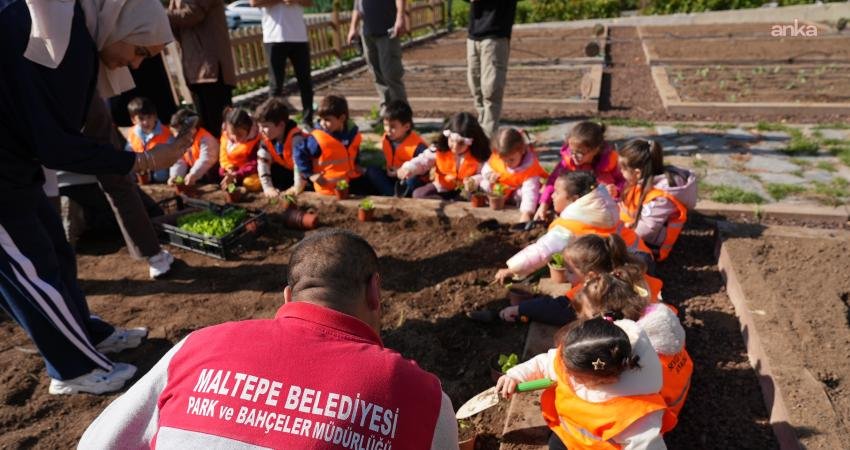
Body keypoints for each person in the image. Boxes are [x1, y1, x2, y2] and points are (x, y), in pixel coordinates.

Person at [79, 229, 460, 449]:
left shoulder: (198, 347)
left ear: (288, 296)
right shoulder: (422, 395)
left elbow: (99, 443)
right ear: (375, 291)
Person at [1, 0, 191, 394]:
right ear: (121, 25)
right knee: (31, 272)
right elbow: (58, 145)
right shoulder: (67, 37)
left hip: (15, 162)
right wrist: (144, 160)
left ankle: (83, 333)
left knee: (55, 252)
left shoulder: (74, 30)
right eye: (140, 51)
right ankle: (72, 369)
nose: (136, 65)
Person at [497, 317, 667, 450]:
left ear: (605, 380)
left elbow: (647, 446)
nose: (563, 371)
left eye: (573, 374)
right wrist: (516, 375)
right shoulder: (583, 352)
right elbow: (546, 363)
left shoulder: (634, 414)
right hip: (565, 432)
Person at [574, 272, 693, 434]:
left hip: (657, 418)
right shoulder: (662, 324)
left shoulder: (632, 354)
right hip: (677, 394)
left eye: (589, 318)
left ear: (609, 318)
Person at [493, 172, 653, 285]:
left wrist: (511, 269)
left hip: (625, 277)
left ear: (574, 199)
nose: (552, 196)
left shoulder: (568, 227)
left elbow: (540, 252)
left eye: (557, 193)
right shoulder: (605, 211)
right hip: (643, 260)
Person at [490, 234, 656, 326]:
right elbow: (565, 302)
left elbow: (562, 310)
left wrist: (522, 309)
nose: (566, 275)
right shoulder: (618, 274)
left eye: (570, 271)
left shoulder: (604, 297)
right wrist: (523, 308)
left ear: (590, 276)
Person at [618, 139, 696, 262]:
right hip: (638, 228)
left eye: (622, 169)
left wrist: (620, 235)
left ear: (637, 173)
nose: (620, 172)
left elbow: (646, 230)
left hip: (651, 246)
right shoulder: (646, 179)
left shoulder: (660, 198)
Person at [167, 0, 237, 137]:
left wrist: (161, 15)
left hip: (213, 69)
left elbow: (193, 14)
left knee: (222, 125)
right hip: (195, 69)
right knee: (206, 127)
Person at [536, 121, 625, 221]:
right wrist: (543, 204)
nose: (574, 157)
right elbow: (552, 182)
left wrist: (616, 190)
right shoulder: (568, 162)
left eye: (580, 153)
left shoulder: (610, 163)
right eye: (571, 151)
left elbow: (624, 181)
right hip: (575, 207)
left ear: (595, 150)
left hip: (602, 207)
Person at [398, 112, 491, 200]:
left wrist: (474, 180)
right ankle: (445, 202)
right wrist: (410, 168)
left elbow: (485, 174)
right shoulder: (439, 150)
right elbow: (423, 161)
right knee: (418, 194)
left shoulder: (478, 154)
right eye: (452, 141)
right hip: (442, 187)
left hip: (466, 190)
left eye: (461, 143)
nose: (455, 146)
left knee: (476, 197)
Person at [293, 94, 373, 196]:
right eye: (321, 119)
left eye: (327, 120)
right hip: (327, 188)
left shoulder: (352, 134)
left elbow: (353, 151)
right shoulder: (318, 138)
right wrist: (310, 175)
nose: (322, 123)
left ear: (342, 118)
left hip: (348, 182)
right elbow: (299, 152)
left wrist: (356, 163)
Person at [251, 0, 315, 128]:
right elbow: (254, 2)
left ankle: (307, 121)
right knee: (276, 86)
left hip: (299, 37)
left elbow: (309, 2)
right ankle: (274, 123)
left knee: (305, 82)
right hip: (274, 37)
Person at [465, 0, 518, 138]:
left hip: (496, 32)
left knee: (491, 89)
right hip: (474, 33)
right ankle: (481, 132)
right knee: (476, 88)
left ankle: (488, 137)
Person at [347, 0, 408, 113]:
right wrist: (353, 27)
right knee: (377, 74)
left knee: (391, 74)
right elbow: (357, 4)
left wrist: (400, 17)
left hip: (387, 30)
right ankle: (386, 110)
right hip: (368, 32)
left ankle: (401, 113)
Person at [479, 127, 548, 223]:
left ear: (522, 150)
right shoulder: (498, 155)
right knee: (483, 183)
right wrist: (489, 175)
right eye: (503, 160)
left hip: (517, 193)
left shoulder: (529, 167)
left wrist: (526, 213)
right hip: (502, 189)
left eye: (511, 160)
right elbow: (487, 167)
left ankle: (517, 204)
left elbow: (530, 192)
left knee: (525, 194)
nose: (507, 163)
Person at [365, 99, 428, 197]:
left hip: (410, 180)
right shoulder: (386, 139)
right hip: (393, 177)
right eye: (385, 125)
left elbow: (426, 171)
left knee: (412, 179)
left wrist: (403, 171)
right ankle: (393, 195)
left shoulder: (418, 146)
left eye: (393, 127)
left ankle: (397, 196)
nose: (388, 130)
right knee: (372, 171)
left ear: (406, 127)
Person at [254, 97, 306, 197]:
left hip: (304, 174)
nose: (261, 130)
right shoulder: (266, 139)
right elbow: (263, 164)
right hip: (288, 170)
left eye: (265, 126)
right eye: (259, 126)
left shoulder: (296, 138)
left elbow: (300, 164)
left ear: (281, 125)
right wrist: (268, 187)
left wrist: (297, 187)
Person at [126, 96, 173, 183]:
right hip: (141, 172)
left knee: (161, 176)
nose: (146, 122)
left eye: (149, 117)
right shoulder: (132, 133)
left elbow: (174, 158)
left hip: (161, 172)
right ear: (133, 120)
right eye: (141, 118)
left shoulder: (166, 133)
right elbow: (128, 154)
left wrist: (174, 176)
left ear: (155, 116)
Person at [167, 109, 219, 186]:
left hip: (214, 175)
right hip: (197, 176)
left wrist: (193, 174)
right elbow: (179, 160)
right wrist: (175, 175)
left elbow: (205, 159)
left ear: (192, 129)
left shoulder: (206, 139)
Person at [219, 107, 264, 193]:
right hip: (232, 170)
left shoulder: (254, 141)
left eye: (240, 135)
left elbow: (254, 165)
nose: (236, 138)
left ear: (248, 129)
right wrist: (229, 169)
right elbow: (223, 158)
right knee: (222, 173)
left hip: (248, 172)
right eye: (233, 134)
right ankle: (234, 188)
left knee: (249, 183)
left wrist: (237, 174)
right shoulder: (226, 137)